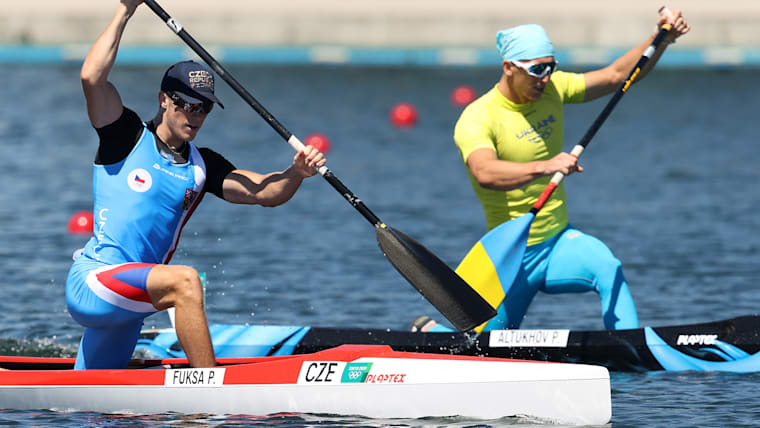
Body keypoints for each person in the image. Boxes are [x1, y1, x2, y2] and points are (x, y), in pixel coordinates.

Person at [66, 0, 325, 369]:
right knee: (186, 282)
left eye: (204, 107)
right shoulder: (125, 136)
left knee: (93, 395)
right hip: (95, 282)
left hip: (132, 301)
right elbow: (92, 79)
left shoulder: (203, 166)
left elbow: (265, 193)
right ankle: (208, 387)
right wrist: (125, 10)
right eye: (188, 104)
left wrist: (296, 172)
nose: (196, 115)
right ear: (164, 100)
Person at [414, 10, 690, 333]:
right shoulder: (479, 118)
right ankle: (428, 331)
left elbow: (617, 75)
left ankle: (629, 348)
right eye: (536, 70)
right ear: (509, 67)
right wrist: (546, 166)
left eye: (551, 67)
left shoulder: (553, 89)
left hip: (558, 243)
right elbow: (484, 172)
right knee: (479, 345)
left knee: (607, 267)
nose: (545, 78)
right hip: (511, 258)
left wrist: (661, 39)